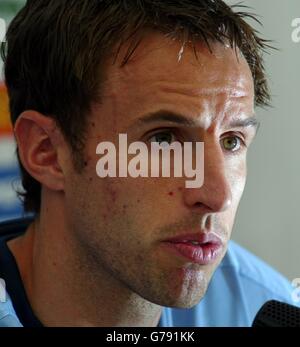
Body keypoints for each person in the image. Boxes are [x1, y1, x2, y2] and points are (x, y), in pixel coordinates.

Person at [0, 0, 296, 327]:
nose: (217, 196)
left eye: (231, 141)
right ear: (48, 153)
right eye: (164, 140)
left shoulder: (266, 308)